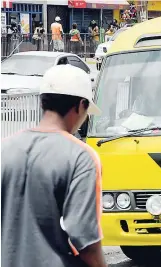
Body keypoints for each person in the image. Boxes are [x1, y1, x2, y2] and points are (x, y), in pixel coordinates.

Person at [1, 64, 107, 267]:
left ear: (42, 102)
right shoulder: (81, 157)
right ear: (81, 105)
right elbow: (85, 239)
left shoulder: (4, 149)